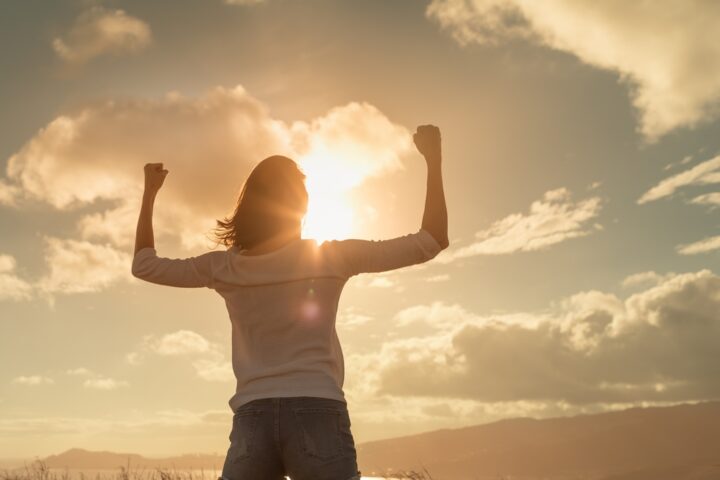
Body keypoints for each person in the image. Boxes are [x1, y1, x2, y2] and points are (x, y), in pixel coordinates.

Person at [131, 124, 449, 480]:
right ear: (301, 205)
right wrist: (433, 159)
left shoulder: (226, 267)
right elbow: (431, 240)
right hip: (318, 411)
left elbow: (144, 266)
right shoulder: (329, 258)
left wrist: (149, 193)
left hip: (253, 417)